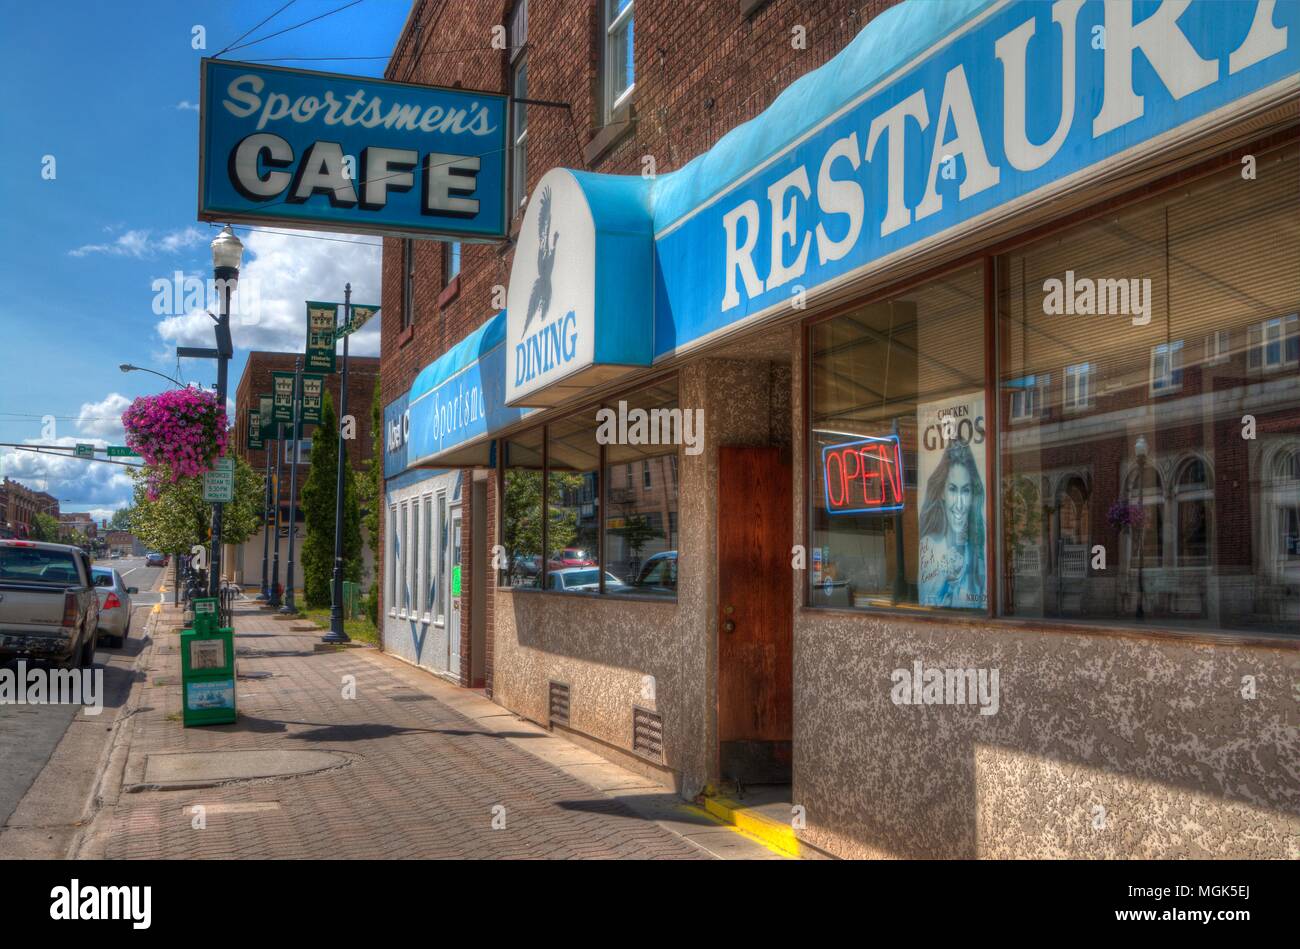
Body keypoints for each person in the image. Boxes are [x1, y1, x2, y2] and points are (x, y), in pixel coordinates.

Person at [918, 440, 986, 608]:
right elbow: (926, 605)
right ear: (942, 492)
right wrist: (944, 577)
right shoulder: (929, 546)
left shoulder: (978, 549)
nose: (959, 504)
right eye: (953, 489)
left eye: (966, 490)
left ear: (973, 494)